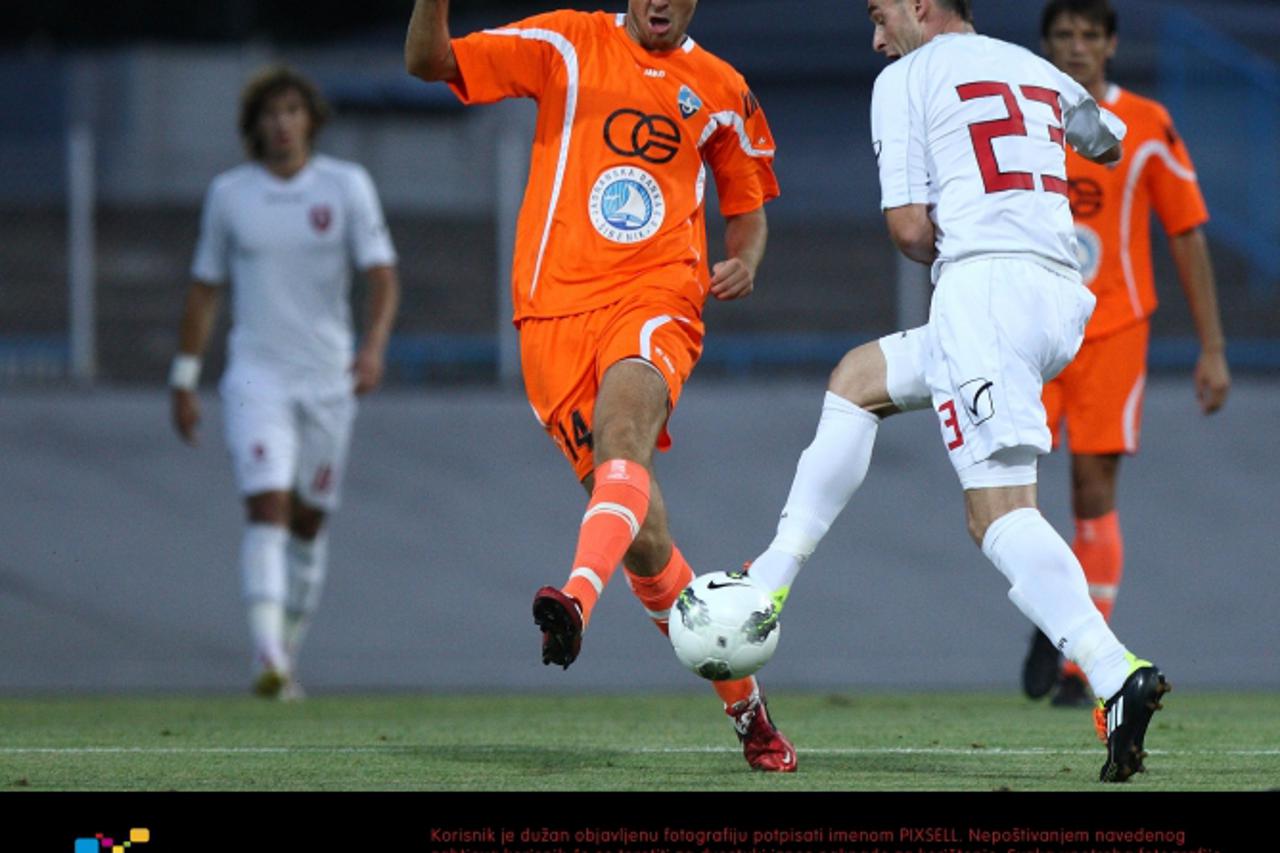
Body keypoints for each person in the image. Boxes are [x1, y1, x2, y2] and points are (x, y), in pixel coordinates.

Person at [743, 0, 1169, 783]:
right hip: (1059, 296)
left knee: (998, 515)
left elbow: (908, 230)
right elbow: (1106, 140)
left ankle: (1113, 673)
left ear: (920, 6)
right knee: (858, 380)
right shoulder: (1037, 68)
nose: (875, 38)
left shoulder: (909, 75)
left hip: (988, 292)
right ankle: (766, 582)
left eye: (879, 15)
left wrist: (979, 224)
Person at [405, 0, 795, 771]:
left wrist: (744, 257)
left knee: (624, 436)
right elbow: (429, 61)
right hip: (551, 316)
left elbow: (746, 208)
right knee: (646, 539)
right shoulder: (566, 43)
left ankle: (575, 601)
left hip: (657, 299)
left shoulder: (721, 87)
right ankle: (750, 713)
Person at [1021, 0, 1230, 708]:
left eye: (1088, 35)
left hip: (1113, 327)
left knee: (1092, 485)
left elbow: (1188, 230)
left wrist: (1213, 347)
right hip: (1031, 325)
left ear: (1110, 45)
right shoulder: (1022, 112)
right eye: (1062, 35)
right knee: (1016, 484)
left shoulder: (1145, 125)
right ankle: (1050, 616)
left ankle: (1083, 663)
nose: (1075, 46)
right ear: (1045, 44)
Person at [170, 65, 401, 699]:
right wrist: (185, 378)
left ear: (310, 120)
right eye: (271, 113)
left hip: (329, 379)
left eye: (293, 111)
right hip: (256, 377)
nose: (282, 123)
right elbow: (204, 289)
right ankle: (266, 651)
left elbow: (381, 276)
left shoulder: (346, 186)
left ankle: (285, 654)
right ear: (255, 126)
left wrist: (372, 347)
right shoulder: (230, 194)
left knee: (308, 523)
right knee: (266, 506)